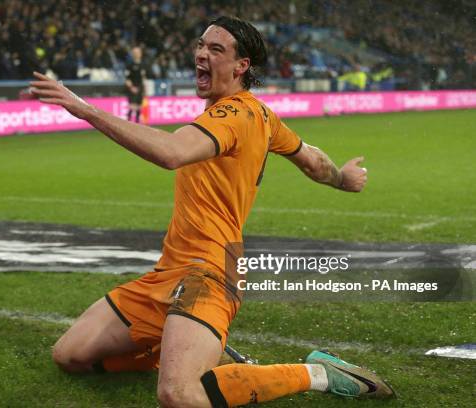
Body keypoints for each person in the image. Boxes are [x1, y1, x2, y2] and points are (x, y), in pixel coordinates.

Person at [29, 16, 394, 408]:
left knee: (178, 395)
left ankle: (318, 373)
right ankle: (182, 349)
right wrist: (342, 178)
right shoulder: (262, 115)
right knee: (70, 355)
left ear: (242, 66)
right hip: (170, 271)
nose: (202, 54)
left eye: (216, 49)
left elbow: (172, 153)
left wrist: (87, 110)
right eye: (201, 45)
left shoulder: (234, 114)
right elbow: (311, 159)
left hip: (211, 269)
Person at [124, 46, 146, 122]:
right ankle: (127, 124)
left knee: (139, 107)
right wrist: (132, 88)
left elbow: (143, 78)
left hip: (140, 88)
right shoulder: (129, 65)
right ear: (133, 54)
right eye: (135, 52)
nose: (137, 54)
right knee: (132, 107)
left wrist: (144, 88)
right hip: (132, 88)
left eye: (138, 52)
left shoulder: (143, 65)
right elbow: (127, 79)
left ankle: (137, 125)